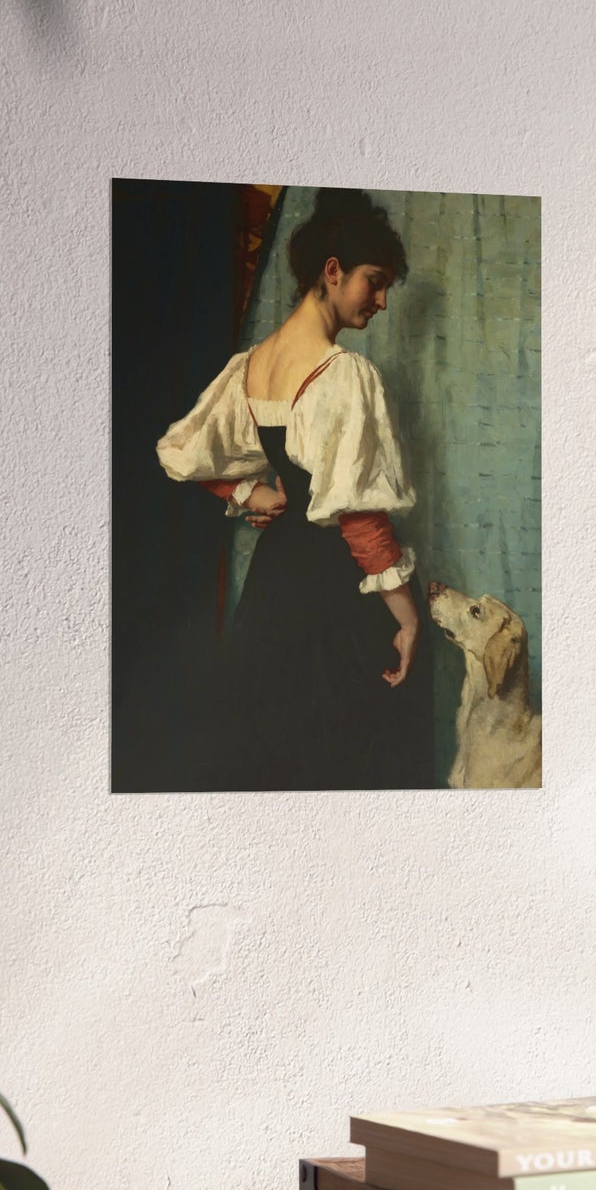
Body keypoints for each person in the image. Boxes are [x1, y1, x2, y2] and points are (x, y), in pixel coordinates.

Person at [156, 187, 434, 791]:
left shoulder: (252, 364)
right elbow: (360, 521)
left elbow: (188, 453)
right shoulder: (344, 375)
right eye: (374, 281)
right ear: (332, 273)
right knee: (343, 746)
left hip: (275, 586)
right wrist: (408, 618)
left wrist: (253, 494)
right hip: (337, 591)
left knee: (278, 747)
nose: (382, 300)